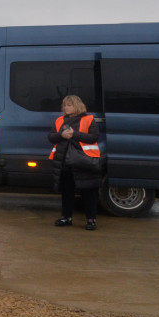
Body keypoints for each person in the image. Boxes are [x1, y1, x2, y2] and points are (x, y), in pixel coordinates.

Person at [48, 95, 102, 230]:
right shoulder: (60, 120)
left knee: (89, 192)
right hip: (65, 163)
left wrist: (74, 134)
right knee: (67, 192)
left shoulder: (88, 119)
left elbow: (94, 137)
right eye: (65, 105)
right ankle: (66, 217)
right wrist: (61, 135)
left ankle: (91, 220)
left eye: (69, 105)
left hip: (84, 162)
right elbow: (51, 137)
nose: (66, 108)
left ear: (77, 106)